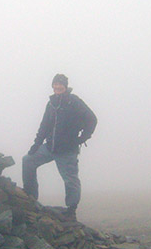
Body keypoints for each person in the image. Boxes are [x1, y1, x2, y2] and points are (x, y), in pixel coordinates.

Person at [22, 73, 97, 221]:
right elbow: (44, 125)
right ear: (52, 85)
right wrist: (36, 144)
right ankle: (31, 197)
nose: (58, 86)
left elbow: (92, 119)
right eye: (55, 84)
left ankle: (71, 210)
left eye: (60, 84)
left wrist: (82, 138)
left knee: (70, 180)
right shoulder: (51, 103)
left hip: (67, 151)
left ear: (65, 86)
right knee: (28, 160)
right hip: (50, 147)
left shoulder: (74, 101)